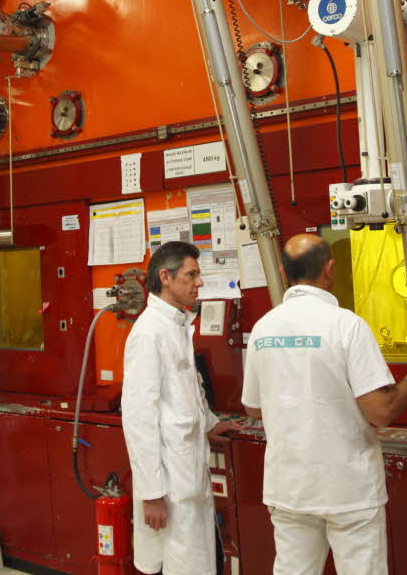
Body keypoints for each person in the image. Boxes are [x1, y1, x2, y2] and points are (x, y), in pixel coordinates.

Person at [241, 233, 407, 575]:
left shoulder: (263, 328)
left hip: (290, 487)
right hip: (348, 489)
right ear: (330, 270)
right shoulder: (346, 325)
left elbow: (254, 408)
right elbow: (381, 412)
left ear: (283, 272)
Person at [122, 240, 241, 575]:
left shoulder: (177, 325)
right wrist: (151, 494)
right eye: (191, 275)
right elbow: (139, 418)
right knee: (182, 563)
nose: (198, 283)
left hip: (188, 472)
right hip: (170, 481)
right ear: (165, 277)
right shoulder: (149, 333)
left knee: (195, 561)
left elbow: (187, 389)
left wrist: (210, 423)